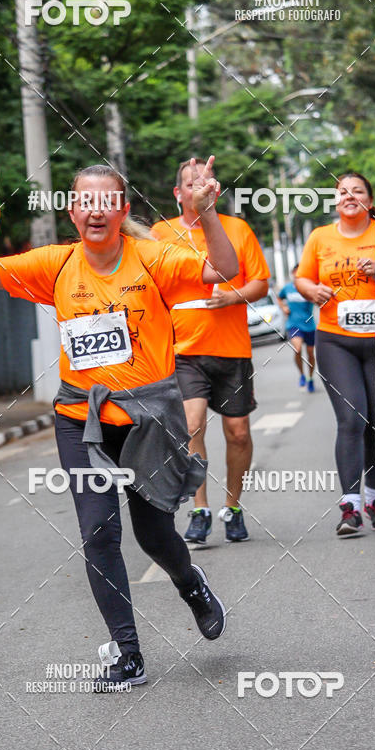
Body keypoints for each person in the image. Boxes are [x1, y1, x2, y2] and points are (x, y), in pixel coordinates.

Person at [0, 158, 238, 690]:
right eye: (85, 202)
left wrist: (207, 213)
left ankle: (190, 583)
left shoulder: (153, 257)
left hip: (148, 419)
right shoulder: (57, 264)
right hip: (81, 421)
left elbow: (223, 271)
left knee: (154, 535)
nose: (96, 212)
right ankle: (128, 654)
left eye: (106, 202)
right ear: (73, 212)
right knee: (97, 532)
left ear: (122, 210)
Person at [152, 158, 270, 545]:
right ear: (178, 193)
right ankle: (199, 509)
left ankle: (232, 507)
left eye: (206, 182)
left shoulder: (237, 229)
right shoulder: (159, 234)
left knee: (237, 433)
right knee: (192, 425)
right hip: (182, 350)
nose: (198, 188)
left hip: (231, 349)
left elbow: (261, 284)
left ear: (216, 190)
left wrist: (232, 297)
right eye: (190, 183)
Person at [295, 172, 375, 536]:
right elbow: (302, 279)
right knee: (352, 419)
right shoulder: (320, 237)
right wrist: (311, 291)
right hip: (336, 340)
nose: (349, 196)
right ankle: (350, 506)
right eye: (343, 192)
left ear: (369, 198)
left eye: (357, 191)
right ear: (335, 201)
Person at [277, 265, 316, 391]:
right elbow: (279, 297)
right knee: (298, 349)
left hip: (309, 325)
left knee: (310, 354)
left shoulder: (309, 287)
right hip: (294, 324)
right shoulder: (287, 288)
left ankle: (310, 377)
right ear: (293, 273)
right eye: (295, 272)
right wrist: (283, 308)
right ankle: (302, 375)